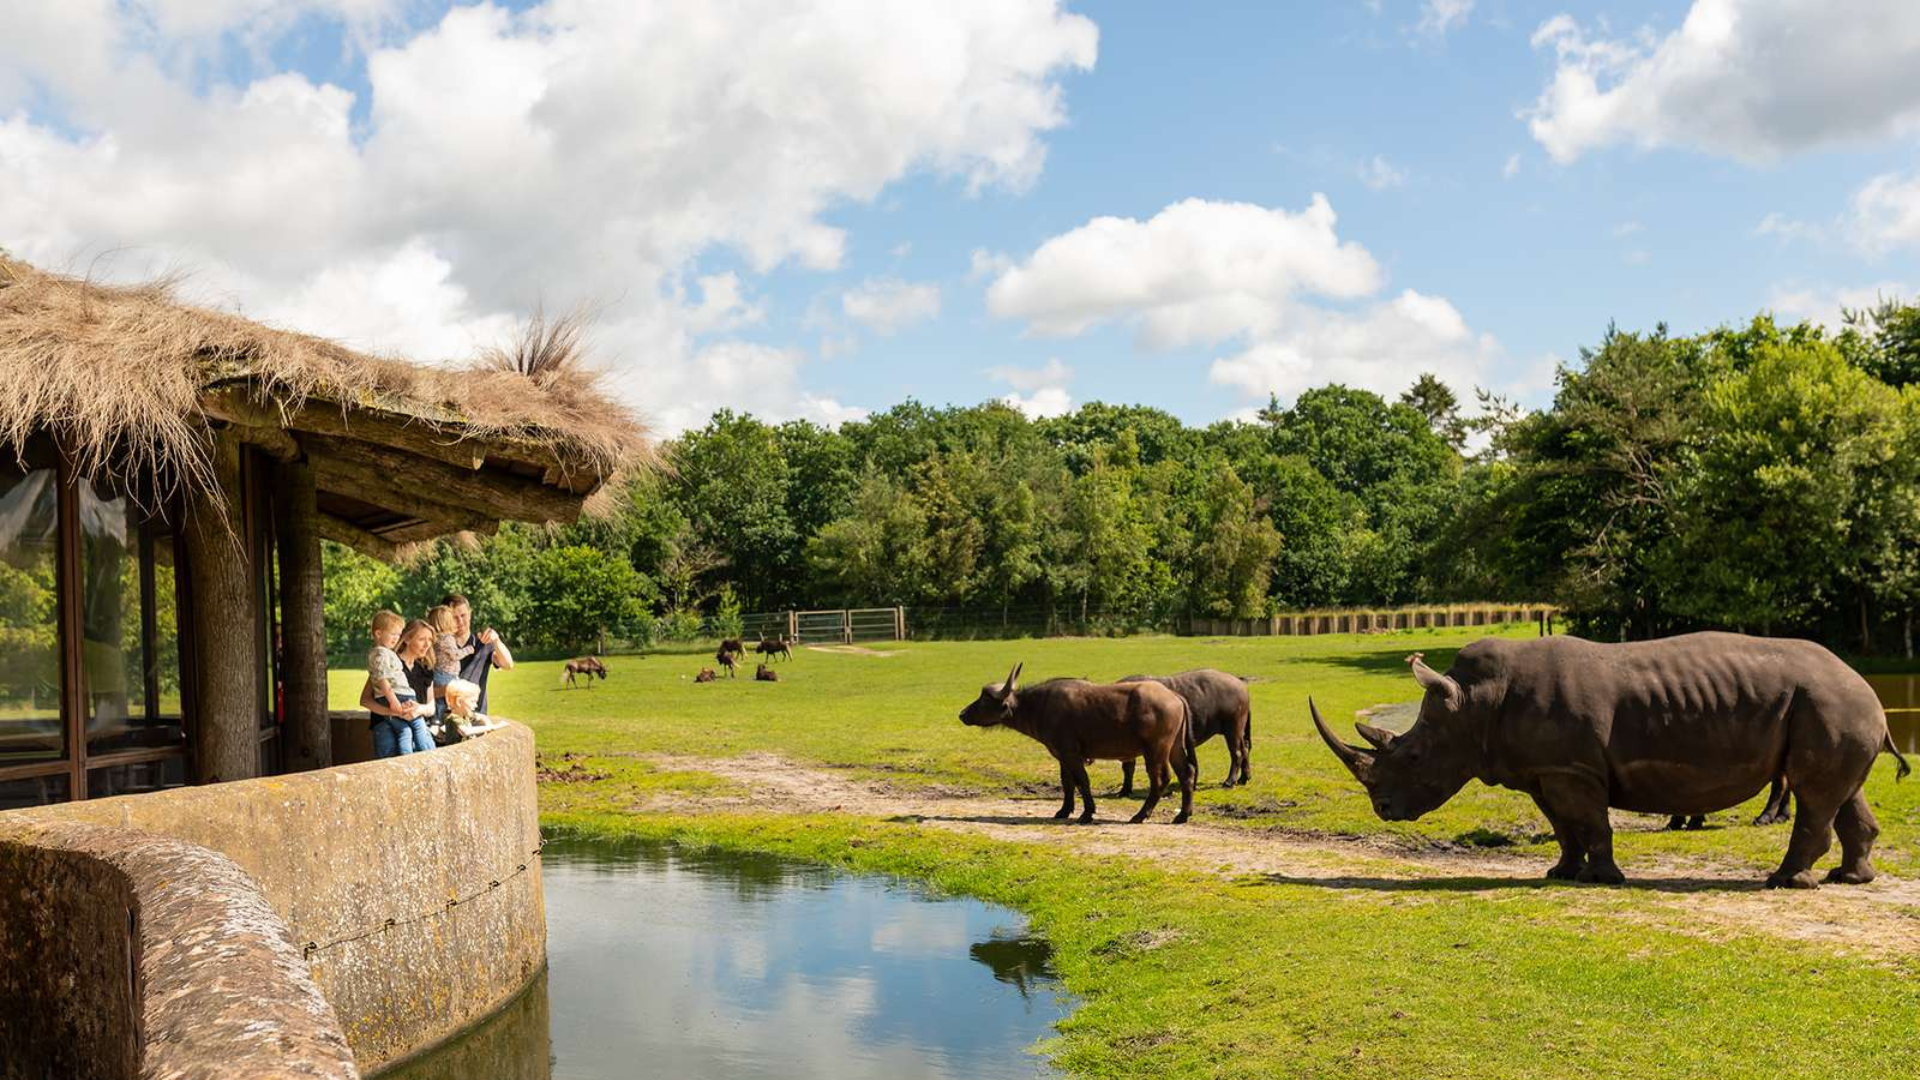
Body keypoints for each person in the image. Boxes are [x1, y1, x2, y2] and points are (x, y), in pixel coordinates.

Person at [365, 611, 432, 758]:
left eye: (430, 639)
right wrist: (393, 709)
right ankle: (431, 758)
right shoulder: (383, 657)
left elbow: (431, 707)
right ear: (407, 639)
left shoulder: (425, 670)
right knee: (416, 729)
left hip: (405, 715)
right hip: (384, 722)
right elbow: (366, 699)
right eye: (422, 639)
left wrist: (419, 709)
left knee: (410, 731)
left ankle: (418, 759)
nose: (427, 644)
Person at [443, 594, 514, 715]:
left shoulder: (483, 643)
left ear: (470, 614)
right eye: (454, 617)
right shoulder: (440, 646)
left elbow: (508, 665)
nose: (460, 621)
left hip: (477, 715)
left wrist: (496, 640)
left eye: (463, 615)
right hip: (446, 717)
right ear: (445, 619)